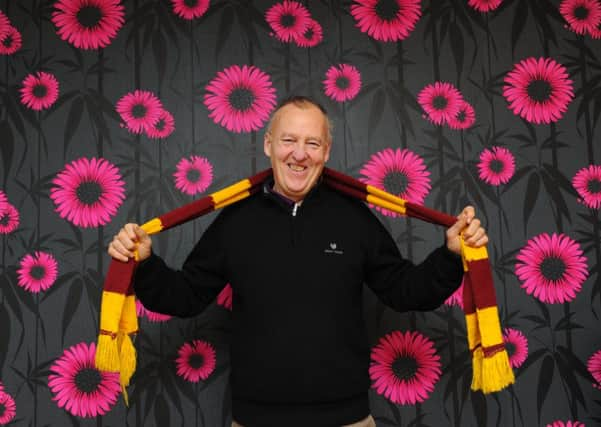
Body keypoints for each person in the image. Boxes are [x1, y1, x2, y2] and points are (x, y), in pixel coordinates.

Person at [108, 96, 488, 427]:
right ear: (269, 145)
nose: (299, 153)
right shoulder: (236, 221)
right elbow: (185, 297)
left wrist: (451, 255)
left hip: (347, 420)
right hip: (255, 420)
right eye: (288, 140)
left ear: (326, 151)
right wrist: (145, 263)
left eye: (312, 143)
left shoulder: (354, 218)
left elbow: (406, 292)